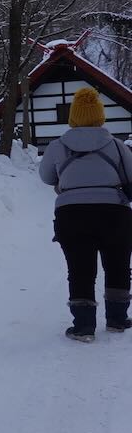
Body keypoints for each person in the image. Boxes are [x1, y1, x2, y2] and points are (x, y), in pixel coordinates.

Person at [39, 86, 132, 341]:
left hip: (72, 214)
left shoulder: (58, 146)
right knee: (118, 264)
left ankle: (83, 327)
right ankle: (117, 319)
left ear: (73, 117)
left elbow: (46, 177)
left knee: (80, 268)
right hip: (114, 212)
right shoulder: (117, 145)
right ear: (100, 116)